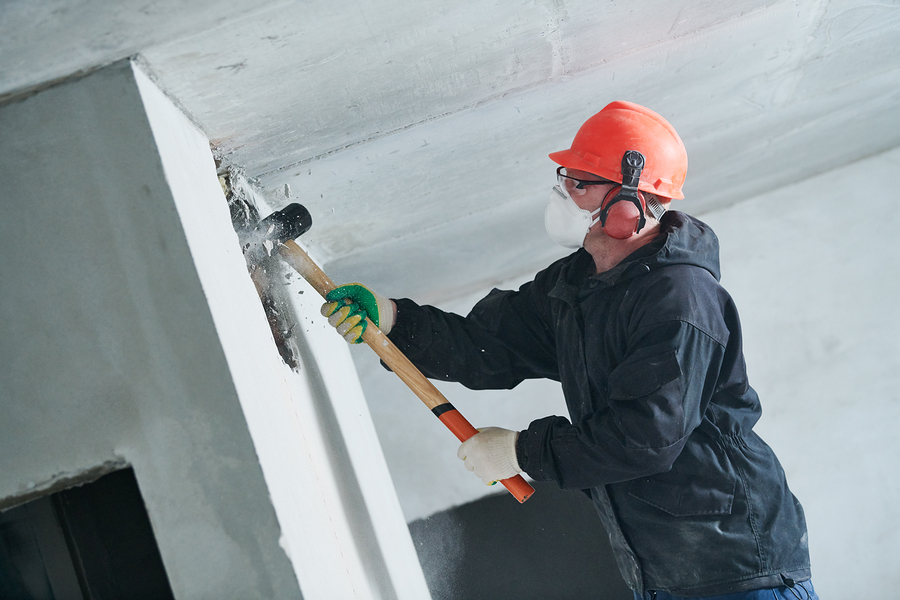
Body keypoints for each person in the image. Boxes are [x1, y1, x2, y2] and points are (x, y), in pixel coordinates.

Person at [321, 101, 816, 599]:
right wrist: (392, 319)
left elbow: (646, 436)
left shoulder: (680, 300)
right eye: (566, 179)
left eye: (578, 184)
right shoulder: (576, 284)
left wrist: (521, 450)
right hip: (667, 574)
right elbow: (486, 347)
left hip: (739, 568)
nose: (563, 194)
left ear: (630, 204)